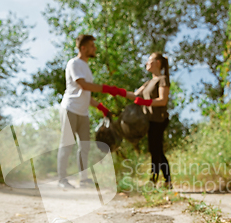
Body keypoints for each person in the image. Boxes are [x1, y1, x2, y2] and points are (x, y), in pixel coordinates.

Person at [58, 34, 128, 189]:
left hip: (83, 112)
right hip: (70, 108)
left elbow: (86, 94)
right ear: (83, 48)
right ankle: (62, 180)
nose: (94, 48)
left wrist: (101, 107)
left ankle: (83, 180)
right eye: (92, 45)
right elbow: (83, 85)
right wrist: (108, 89)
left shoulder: (86, 67)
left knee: (85, 146)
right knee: (67, 144)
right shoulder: (74, 63)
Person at [125, 53, 172, 189]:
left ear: (157, 63)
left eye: (150, 60)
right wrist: (117, 91)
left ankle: (155, 180)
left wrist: (145, 102)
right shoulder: (148, 83)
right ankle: (165, 181)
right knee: (155, 150)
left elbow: (163, 100)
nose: (147, 63)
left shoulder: (162, 79)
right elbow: (135, 95)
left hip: (159, 120)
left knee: (156, 150)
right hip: (150, 121)